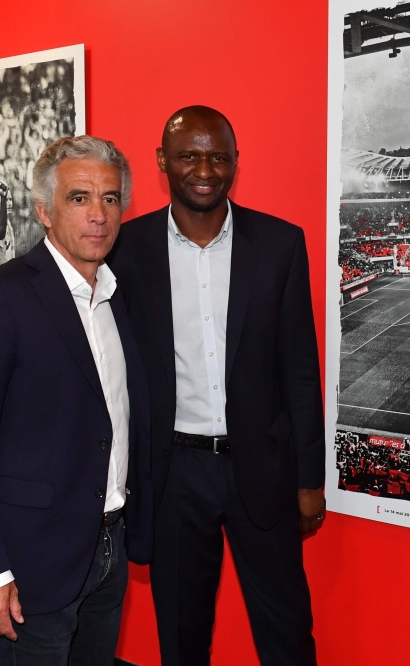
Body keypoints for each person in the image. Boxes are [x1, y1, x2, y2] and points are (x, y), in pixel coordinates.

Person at [109, 106, 324, 666]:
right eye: (188, 155)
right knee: (181, 639)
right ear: (163, 162)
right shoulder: (126, 251)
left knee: (287, 634)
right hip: (173, 476)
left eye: (218, 155)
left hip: (264, 472)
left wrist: (309, 478)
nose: (204, 168)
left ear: (234, 162)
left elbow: (300, 369)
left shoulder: (279, 244)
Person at [0, 136, 153, 665]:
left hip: (109, 550)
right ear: (44, 211)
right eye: (79, 198)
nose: (99, 215)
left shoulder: (115, 293)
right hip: (31, 563)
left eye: (109, 199)